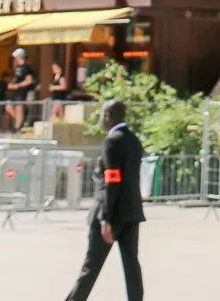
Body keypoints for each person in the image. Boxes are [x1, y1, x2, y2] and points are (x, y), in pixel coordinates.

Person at [65, 100, 146, 301]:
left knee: (91, 266)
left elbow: (113, 180)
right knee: (131, 265)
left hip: (110, 212)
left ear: (110, 116)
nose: (101, 119)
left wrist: (105, 218)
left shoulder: (112, 141)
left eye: (103, 114)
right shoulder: (134, 140)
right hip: (131, 213)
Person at [6, 48, 37, 131]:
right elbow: (16, 78)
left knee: (19, 109)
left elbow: (29, 80)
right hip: (15, 91)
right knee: (8, 107)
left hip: (21, 91)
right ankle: (19, 123)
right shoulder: (17, 67)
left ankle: (17, 127)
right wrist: (11, 84)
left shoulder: (26, 67)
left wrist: (17, 86)